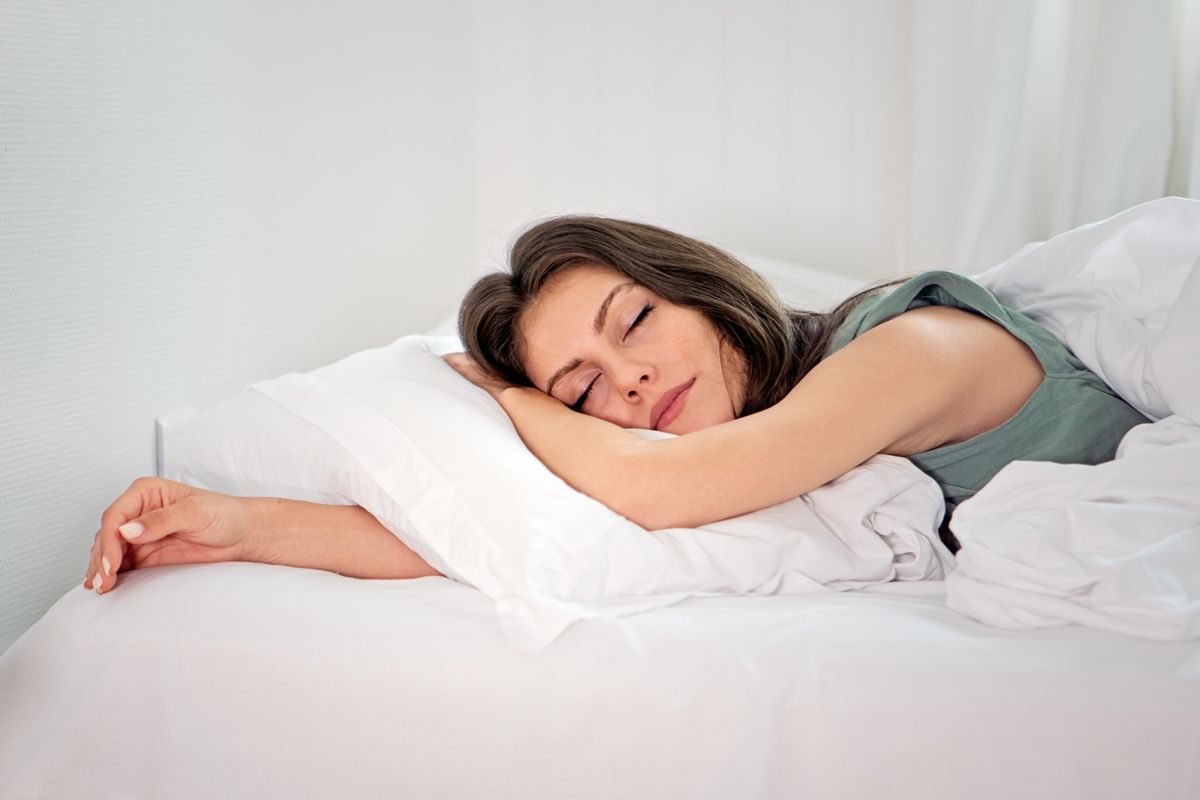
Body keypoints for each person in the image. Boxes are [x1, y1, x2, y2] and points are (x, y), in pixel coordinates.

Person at [83, 216, 1149, 594]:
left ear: (698, 288)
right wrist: (235, 523)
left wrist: (510, 391)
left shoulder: (911, 348)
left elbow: (655, 488)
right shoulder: (785, 440)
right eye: (582, 385)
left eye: (632, 322)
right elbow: (521, 531)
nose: (626, 383)